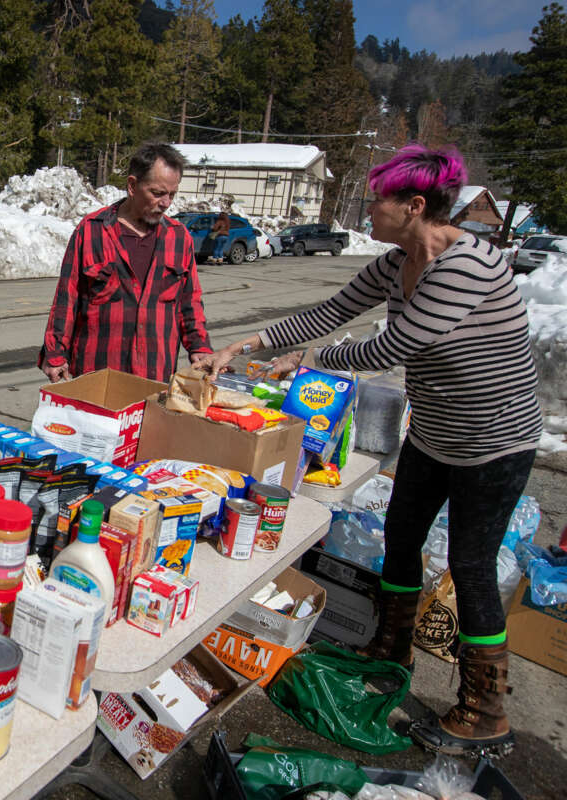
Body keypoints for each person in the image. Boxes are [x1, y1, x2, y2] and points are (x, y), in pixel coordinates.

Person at [201, 144, 541, 758]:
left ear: (414, 206)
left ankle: (485, 711)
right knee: (401, 540)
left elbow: (395, 345)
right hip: (434, 434)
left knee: (470, 565)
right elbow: (332, 312)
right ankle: (391, 647)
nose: (368, 206)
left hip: (495, 442)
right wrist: (248, 343)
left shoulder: (469, 264)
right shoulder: (395, 263)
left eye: (378, 198)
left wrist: (308, 362)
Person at [38, 141, 212, 383]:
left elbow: (189, 303)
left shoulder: (179, 238)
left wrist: (200, 347)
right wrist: (55, 353)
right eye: (157, 193)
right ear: (132, 185)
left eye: (172, 194)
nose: (166, 203)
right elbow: (67, 298)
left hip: (154, 379)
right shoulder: (91, 231)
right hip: (96, 378)